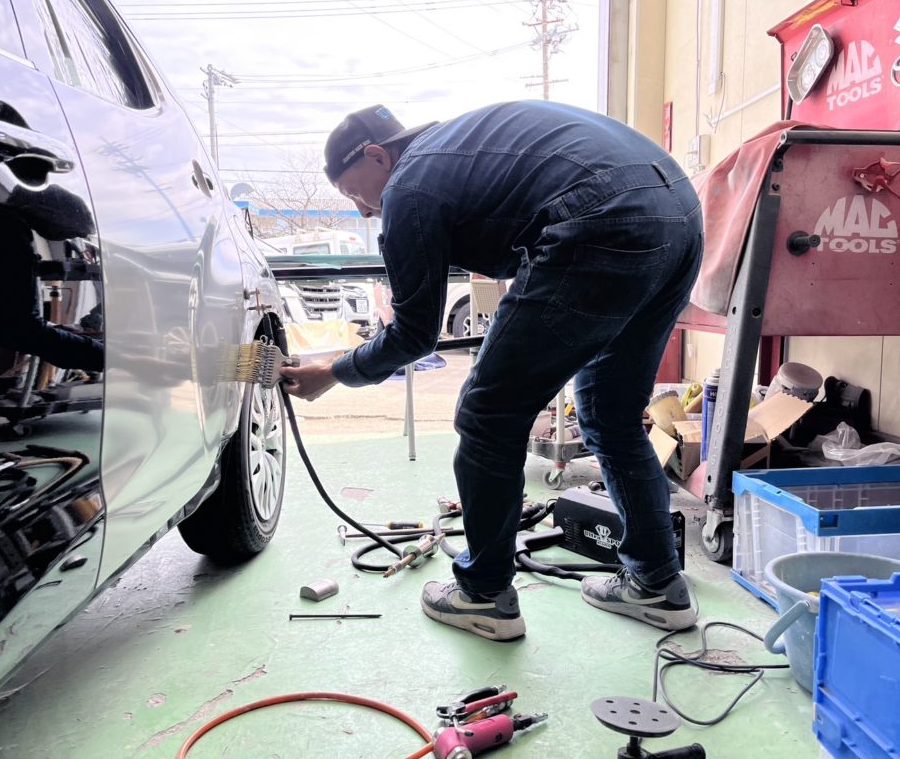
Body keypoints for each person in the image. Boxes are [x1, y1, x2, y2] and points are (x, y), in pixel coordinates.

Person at [281, 101, 704, 641]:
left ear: (377, 156)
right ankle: (657, 584)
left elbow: (413, 335)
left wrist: (332, 371)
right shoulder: (459, 150)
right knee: (611, 414)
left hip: (601, 217)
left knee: (488, 415)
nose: (363, 212)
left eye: (352, 193)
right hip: (681, 215)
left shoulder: (409, 186)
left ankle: (483, 596)